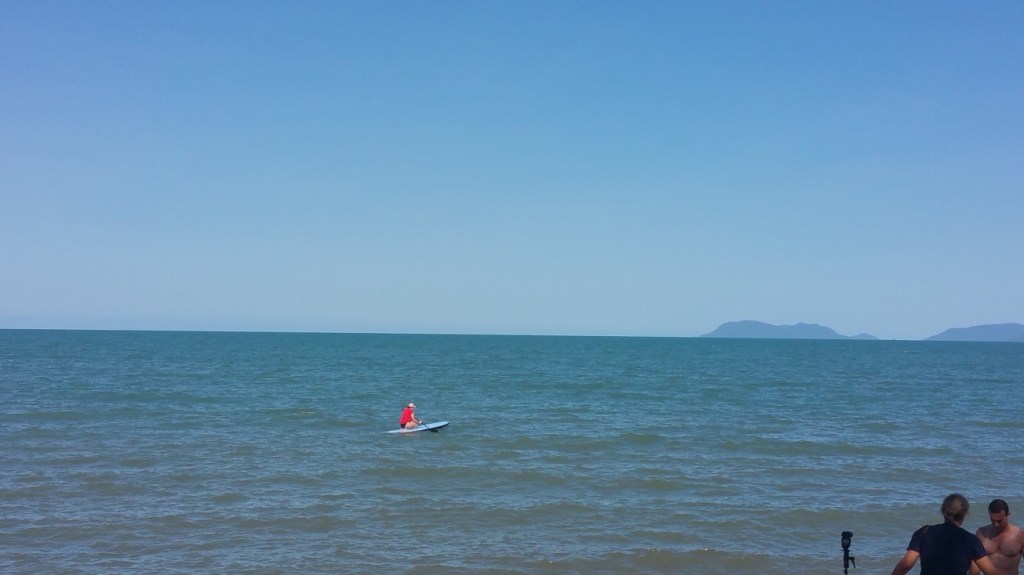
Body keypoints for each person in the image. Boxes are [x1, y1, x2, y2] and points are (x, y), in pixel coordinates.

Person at [891, 493, 999, 575]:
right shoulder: (971, 540)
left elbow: (906, 565)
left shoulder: (924, 532)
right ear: (964, 514)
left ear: (943, 511)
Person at [970, 499, 1024, 575]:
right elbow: (975, 563)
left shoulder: (1020, 535)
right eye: (992, 520)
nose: (996, 524)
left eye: (1000, 521)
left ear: (1008, 515)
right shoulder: (982, 533)